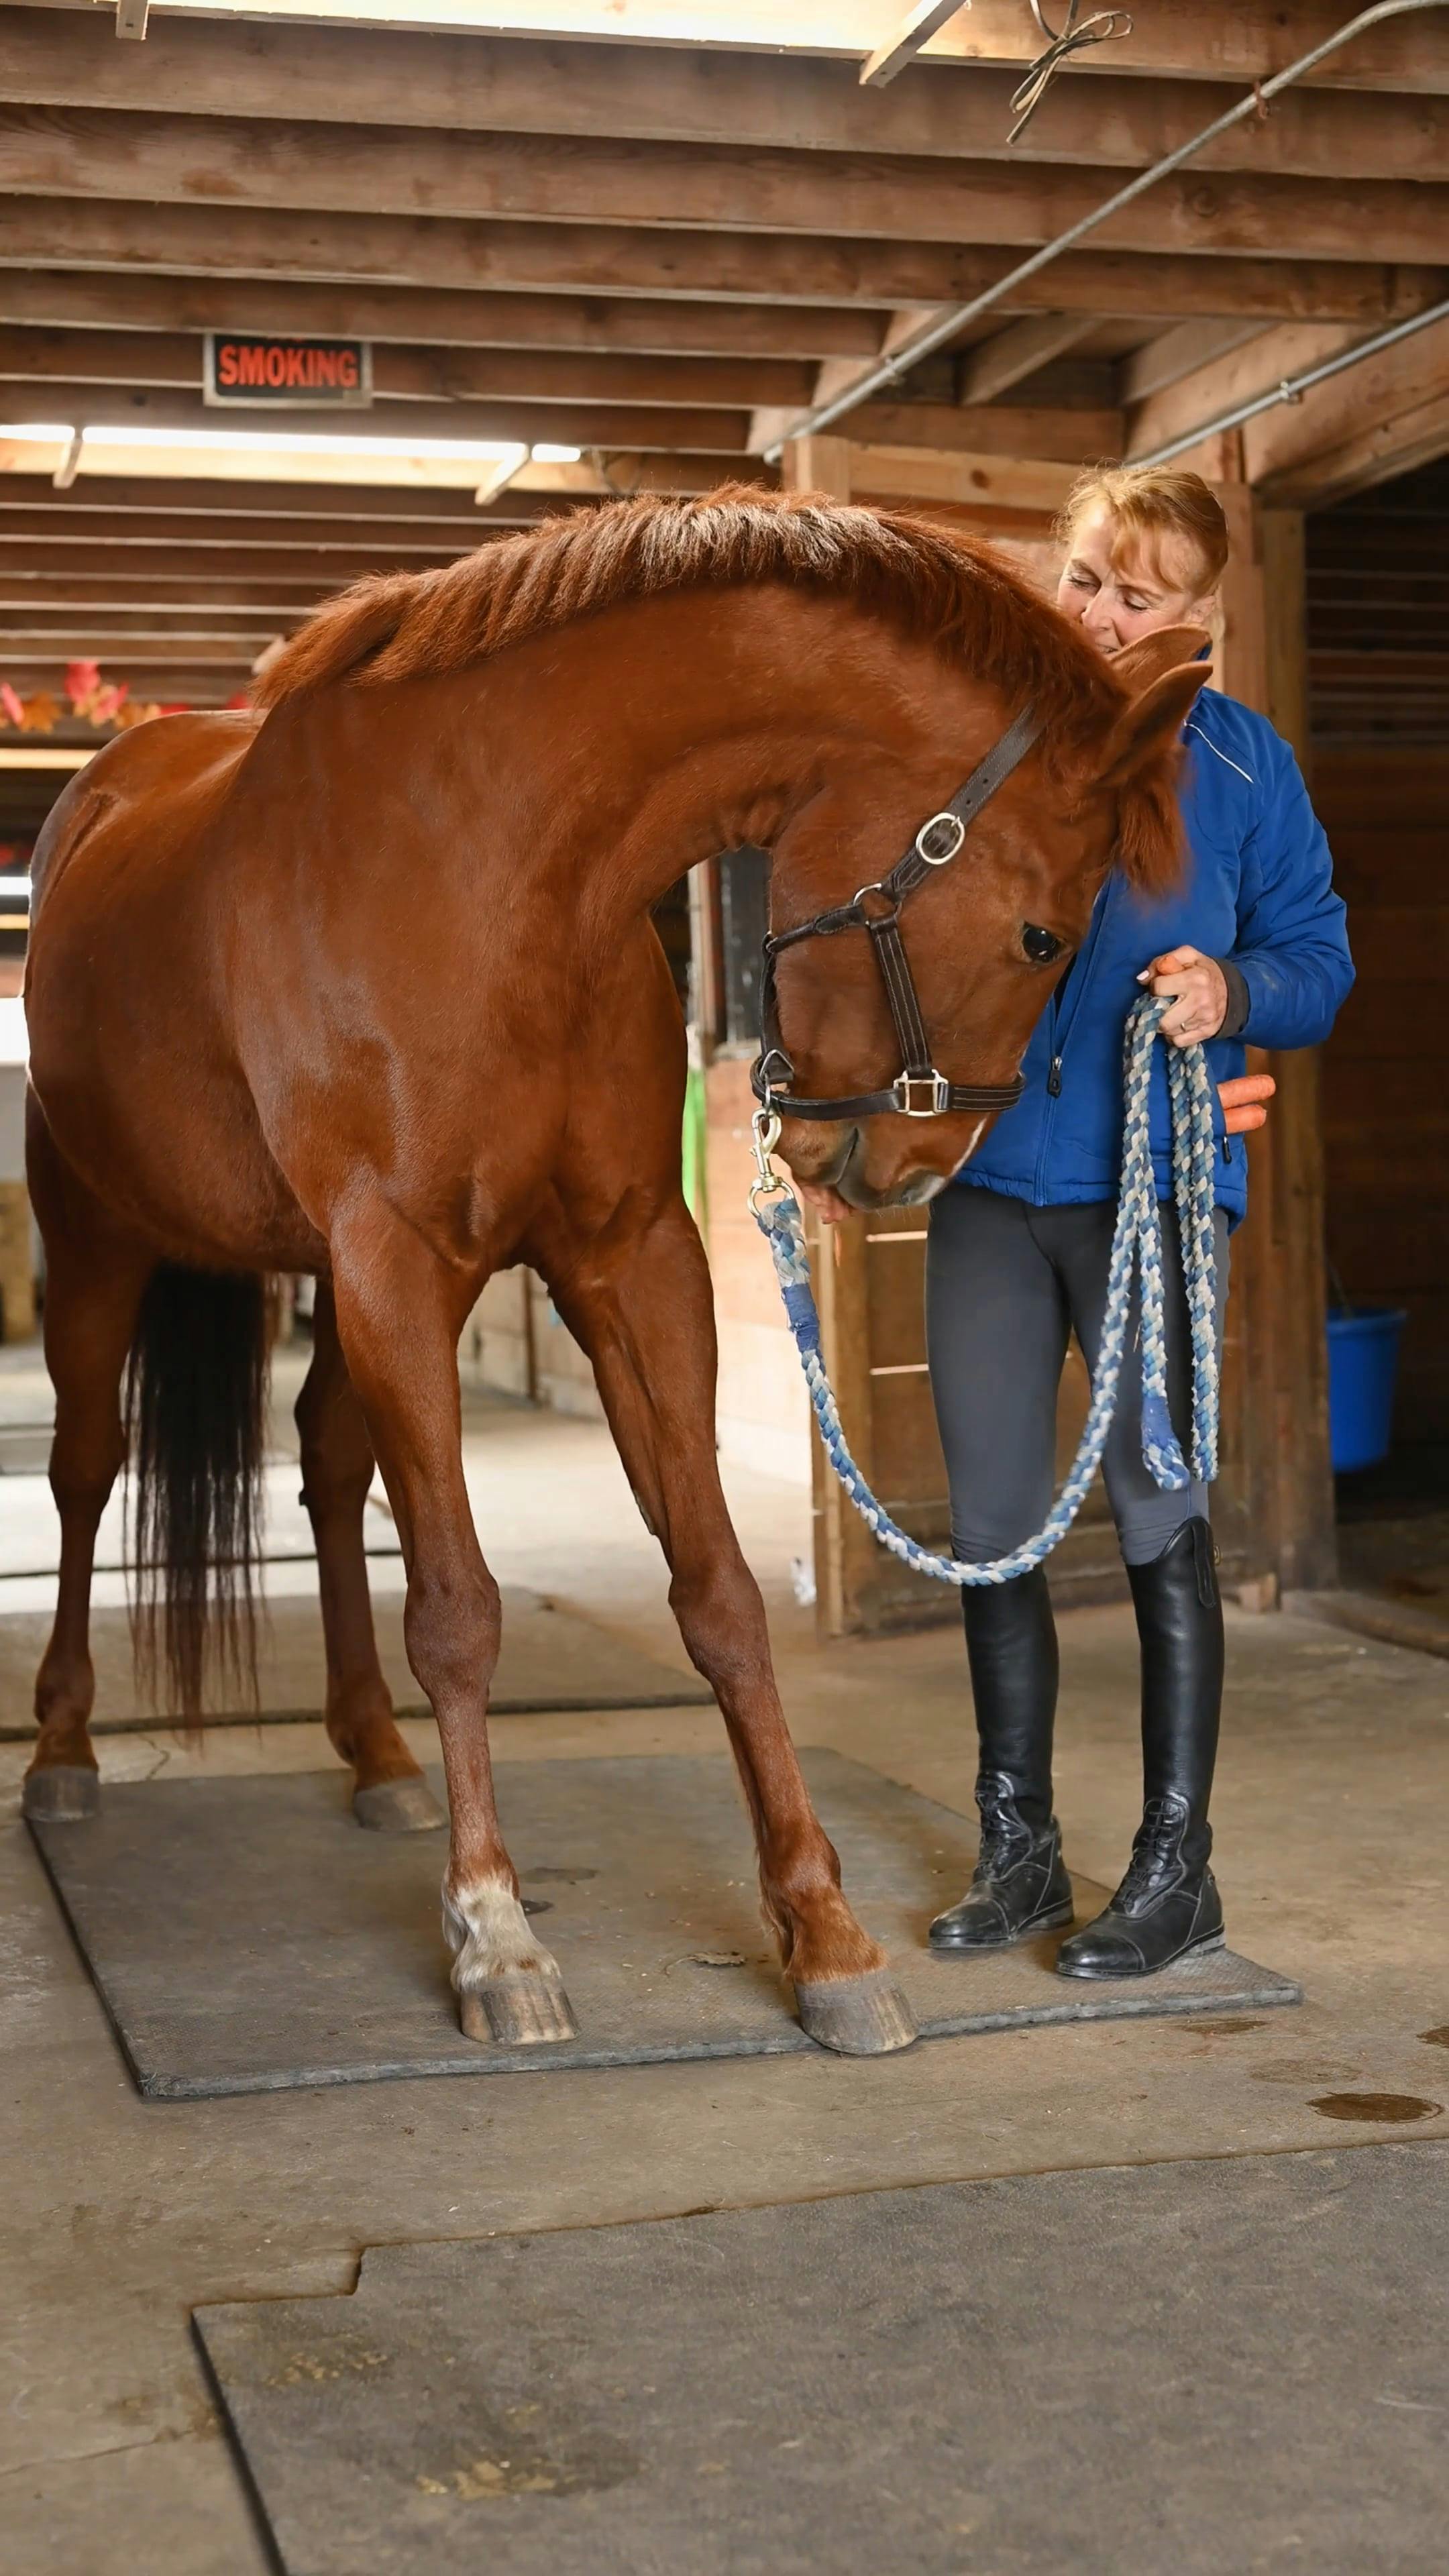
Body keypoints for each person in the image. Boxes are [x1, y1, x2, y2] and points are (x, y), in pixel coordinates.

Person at [924, 464, 1353, 1978]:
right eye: (1089, 576)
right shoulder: (981, 742)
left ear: (1200, 618)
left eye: (1141, 591)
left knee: (1159, 1519)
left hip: (1156, 1198)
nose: (1103, 612)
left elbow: (1319, 954)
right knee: (990, 1535)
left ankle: (1180, 1868)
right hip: (987, 1192)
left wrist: (1233, 993)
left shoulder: (1244, 770)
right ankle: (1020, 1849)